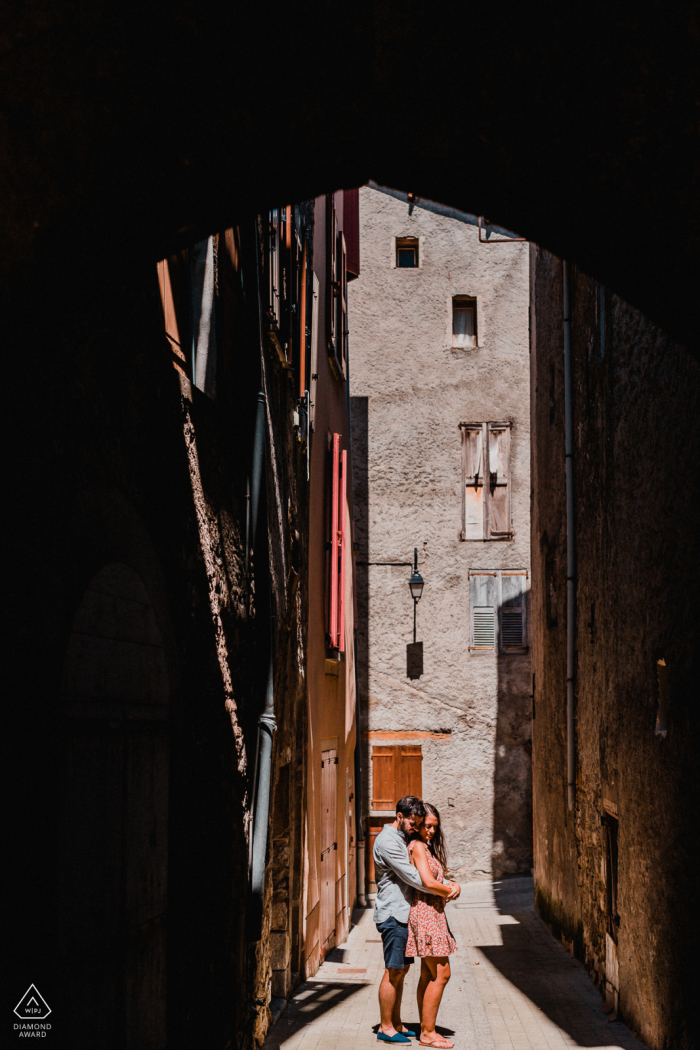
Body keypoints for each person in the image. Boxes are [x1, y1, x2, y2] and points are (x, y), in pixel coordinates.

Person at [373, 796, 460, 1044]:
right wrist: (448, 888)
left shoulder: (404, 837)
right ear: (400, 817)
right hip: (394, 912)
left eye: (422, 823)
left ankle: (398, 1023)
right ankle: (387, 1027)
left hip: (408, 912)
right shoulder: (388, 841)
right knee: (394, 970)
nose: (419, 828)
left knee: (404, 970)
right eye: (417, 823)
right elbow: (414, 877)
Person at [406, 802, 459, 1049]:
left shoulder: (425, 847)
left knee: (428, 974)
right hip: (427, 913)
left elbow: (436, 878)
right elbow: (428, 881)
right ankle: (427, 1032)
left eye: (434, 828)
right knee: (441, 973)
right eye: (427, 826)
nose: (431, 831)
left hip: (432, 912)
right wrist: (452, 889)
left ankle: (427, 1029)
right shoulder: (417, 847)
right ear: (417, 826)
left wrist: (452, 885)